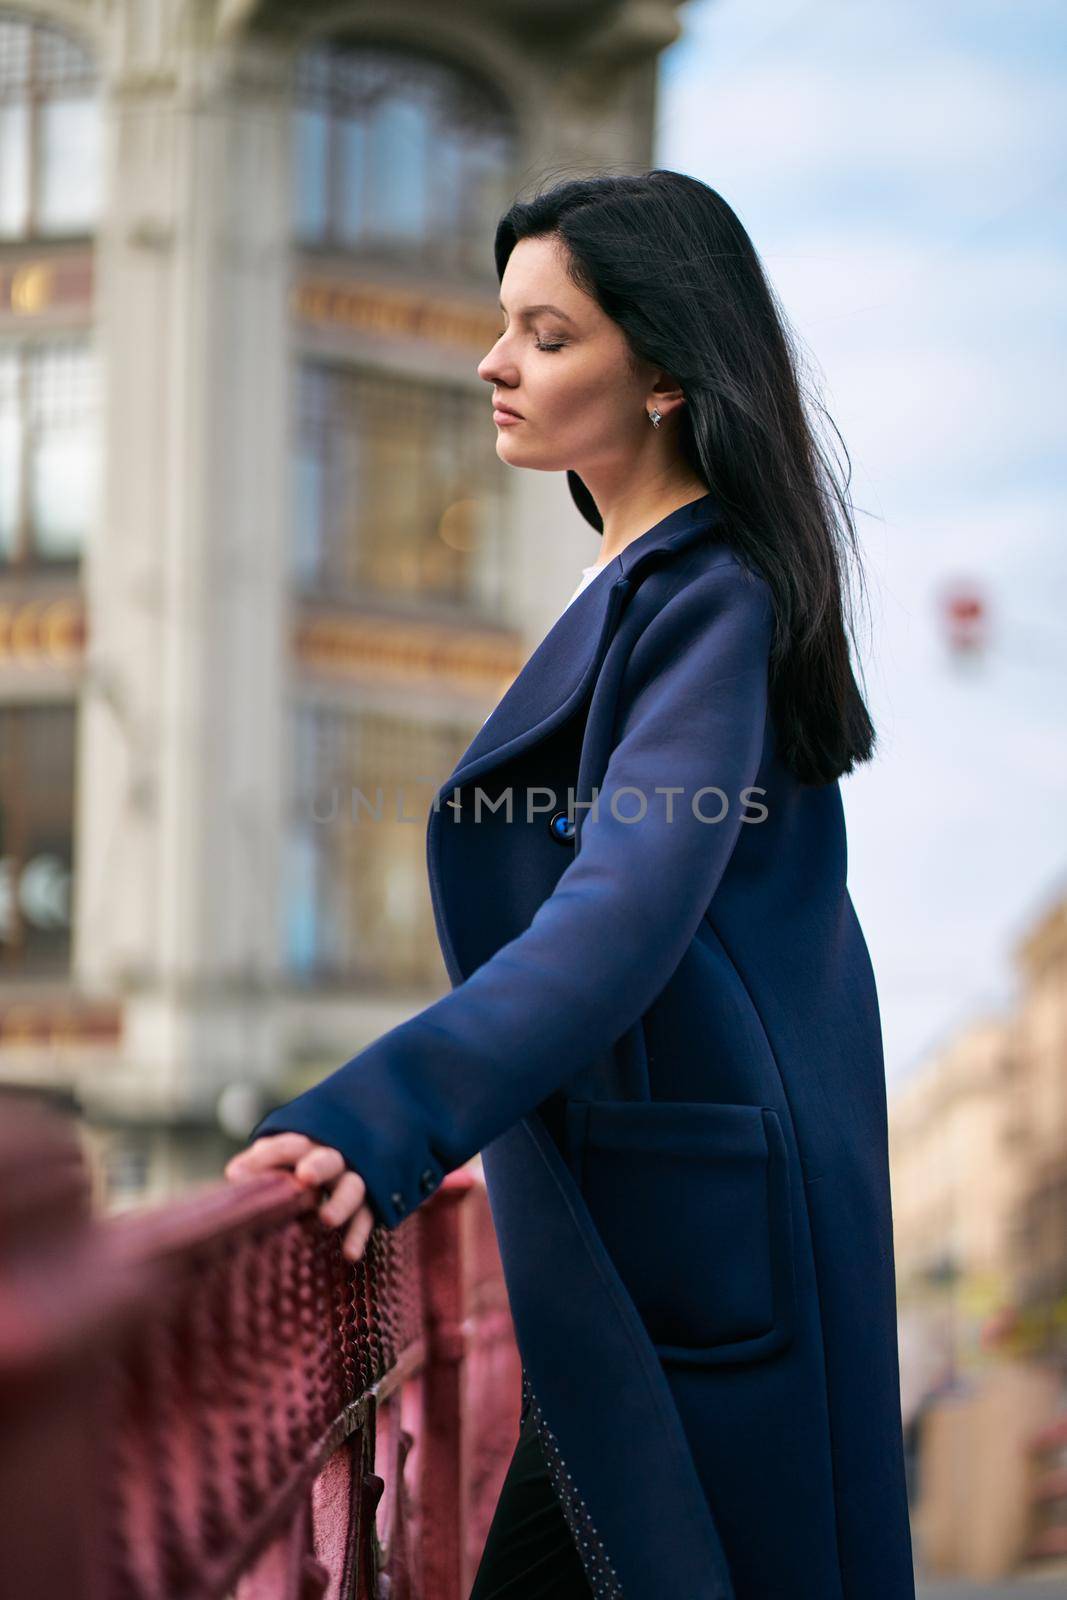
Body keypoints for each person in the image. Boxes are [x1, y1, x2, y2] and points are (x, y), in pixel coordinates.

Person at [225, 170, 916, 1599]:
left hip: (692, 1253)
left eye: (546, 336)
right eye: (502, 326)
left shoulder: (707, 593)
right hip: (648, 1239)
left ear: (663, 369)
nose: (493, 362)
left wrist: (382, 1117)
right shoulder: (654, 588)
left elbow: (617, 916)